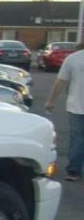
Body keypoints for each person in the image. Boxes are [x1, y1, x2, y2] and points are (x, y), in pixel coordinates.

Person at [44, 41, 84, 181]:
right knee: (78, 140)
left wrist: (50, 101)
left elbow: (60, 81)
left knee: (78, 140)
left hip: (76, 106)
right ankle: (74, 170)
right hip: (77, 106)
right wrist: (51, 100)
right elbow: (60, 81)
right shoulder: (73, 59)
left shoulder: (73, 58)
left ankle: (74, 171)